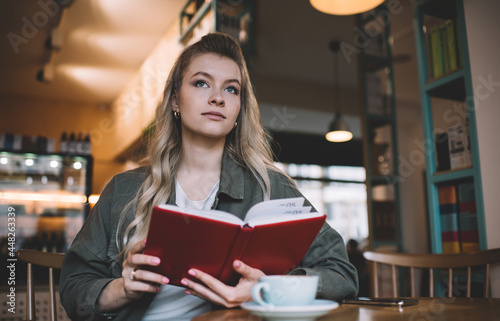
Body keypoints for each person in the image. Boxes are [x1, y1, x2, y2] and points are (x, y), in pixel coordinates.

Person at [59, 33, 358, 321]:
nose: (217, 98)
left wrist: (265, 290)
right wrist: (123, 288)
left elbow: (342, 274)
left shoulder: (271, 185)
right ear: (175, 100)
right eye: (202, 83)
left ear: (239, 108)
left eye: (231, 89)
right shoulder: (123, 190)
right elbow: (73, 290)